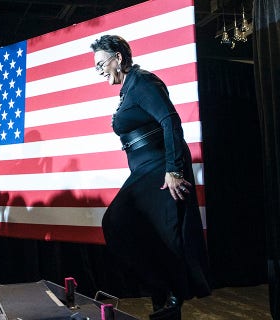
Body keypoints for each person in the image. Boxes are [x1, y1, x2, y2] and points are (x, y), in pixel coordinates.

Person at [90, 35, 210, 319]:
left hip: (158, 169)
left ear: (118, 57)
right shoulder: (129, 90)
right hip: (145, 169)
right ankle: (164, 299)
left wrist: (174, 170)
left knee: (119, 223)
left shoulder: (143, 82)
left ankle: (168, 295)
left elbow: (170, 120)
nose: (100, 71)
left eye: (101, 64)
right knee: (149, 237)